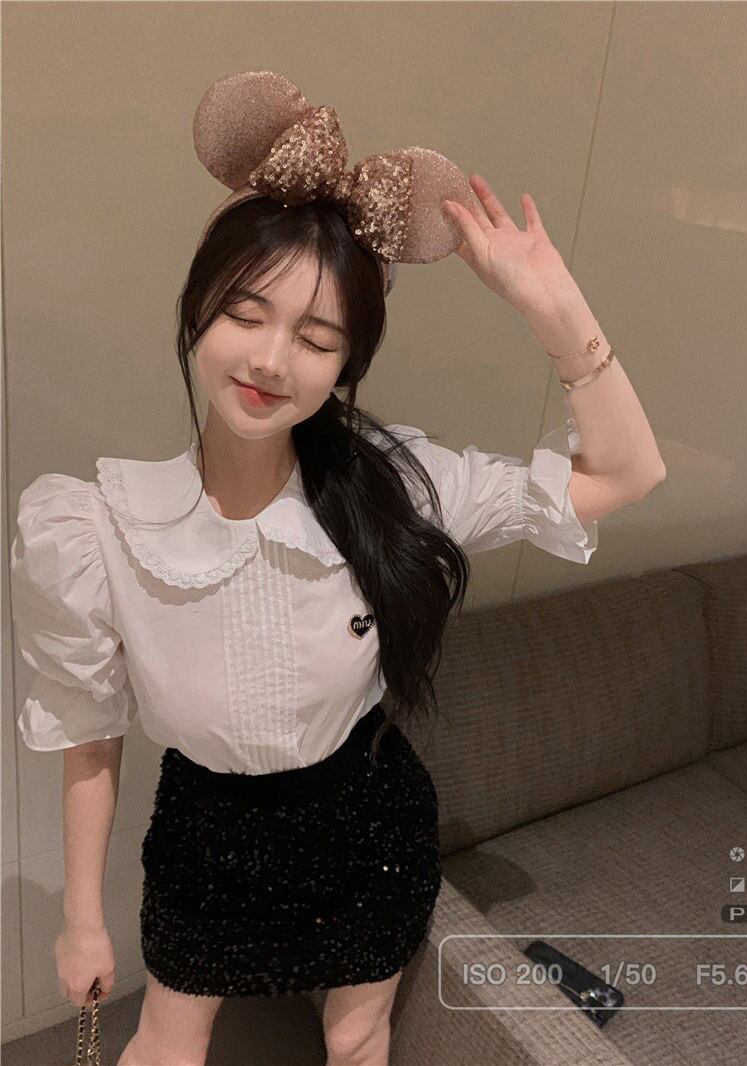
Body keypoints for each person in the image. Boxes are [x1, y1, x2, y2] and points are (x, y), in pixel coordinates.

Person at [9, 71, 663, 1066]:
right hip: (205, 839)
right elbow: (89, 737)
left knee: (356, 1038)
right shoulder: (95, 528)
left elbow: (625, 473)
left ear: (344, 364)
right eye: (245, 314)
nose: (271, 360)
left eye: (315, 339)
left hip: (367, 829)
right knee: (163, 1045)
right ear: (196, 310)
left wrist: (553, 308)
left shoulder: (397, 489)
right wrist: (82, 921)